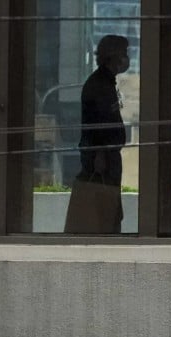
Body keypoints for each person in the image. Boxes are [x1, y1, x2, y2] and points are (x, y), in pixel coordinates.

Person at [65, 34, 129, 234]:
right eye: (124, 54)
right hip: (102, 162)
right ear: (114, 57)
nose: (127, 59)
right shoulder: (99, 86)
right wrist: (100, 154)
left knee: (108, 212)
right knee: (104, 215)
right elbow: (100, 126)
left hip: (106, 159)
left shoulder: (105, 83)